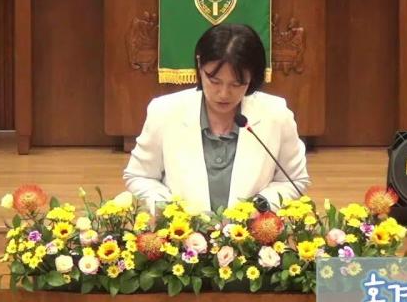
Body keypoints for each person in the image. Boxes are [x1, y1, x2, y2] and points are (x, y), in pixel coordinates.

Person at [123, 23, 310, 214]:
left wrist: (261, 206)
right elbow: (140, 175)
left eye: (236, 84)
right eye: (214, 81)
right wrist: (167, 208)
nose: (224, 94)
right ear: (199, 65)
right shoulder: (164, 111)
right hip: (182, 230)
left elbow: (294, 180)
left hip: (251, 231)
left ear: (252, 77)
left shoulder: (276, 114)